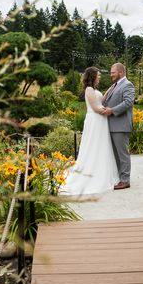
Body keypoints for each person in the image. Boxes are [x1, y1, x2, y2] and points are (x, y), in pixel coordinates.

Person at [59, 67, 119, 197]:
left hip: (100, 121)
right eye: (98, 75)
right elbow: (96, 108)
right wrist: (110, 111)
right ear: (92, 76)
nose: (100, 77)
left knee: (101, 146)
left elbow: (101, 101)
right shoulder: (89, 89)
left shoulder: (95, 90)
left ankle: (100, 171)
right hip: (95, 120)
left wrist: (110, 89)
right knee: (93, 145)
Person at [102, 62, 135, 190]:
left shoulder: (128, 85)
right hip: (112, 126)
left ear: (120, 72)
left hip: (121, 126)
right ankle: (120, 178)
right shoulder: (114, 86)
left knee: (122, 154)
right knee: (116, 155)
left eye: (113, 72)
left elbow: (128, 102)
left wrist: (112, 111)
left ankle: (125, 180)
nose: (111, 75)